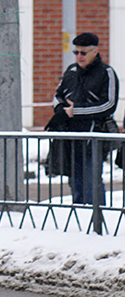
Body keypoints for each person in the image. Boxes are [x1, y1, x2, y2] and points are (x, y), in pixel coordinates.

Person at [48, 32, 119, 204]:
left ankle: (96, 218)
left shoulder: (106, 73)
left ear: (95, 52)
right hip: (70, 138)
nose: (79, 56)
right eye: (76, 52)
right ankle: (80, 217)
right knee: (75, 182)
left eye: (83, 52)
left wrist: (77, 111)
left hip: (92, 137)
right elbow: (58, 95)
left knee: (90, 182)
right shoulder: (71, 72)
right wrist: (61, 110)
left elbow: (108, 105)